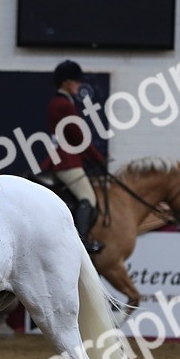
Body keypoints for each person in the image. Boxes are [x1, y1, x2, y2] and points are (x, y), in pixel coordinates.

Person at [48, 60, 106, 254]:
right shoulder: (64, 105)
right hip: (67, 161)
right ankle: (80, 243)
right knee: (88, 197)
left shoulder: (59, 102)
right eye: (75, 81)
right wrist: (99, 159)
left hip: (62, 158)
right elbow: (78, 138)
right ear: (65, 82)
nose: (78, 85)